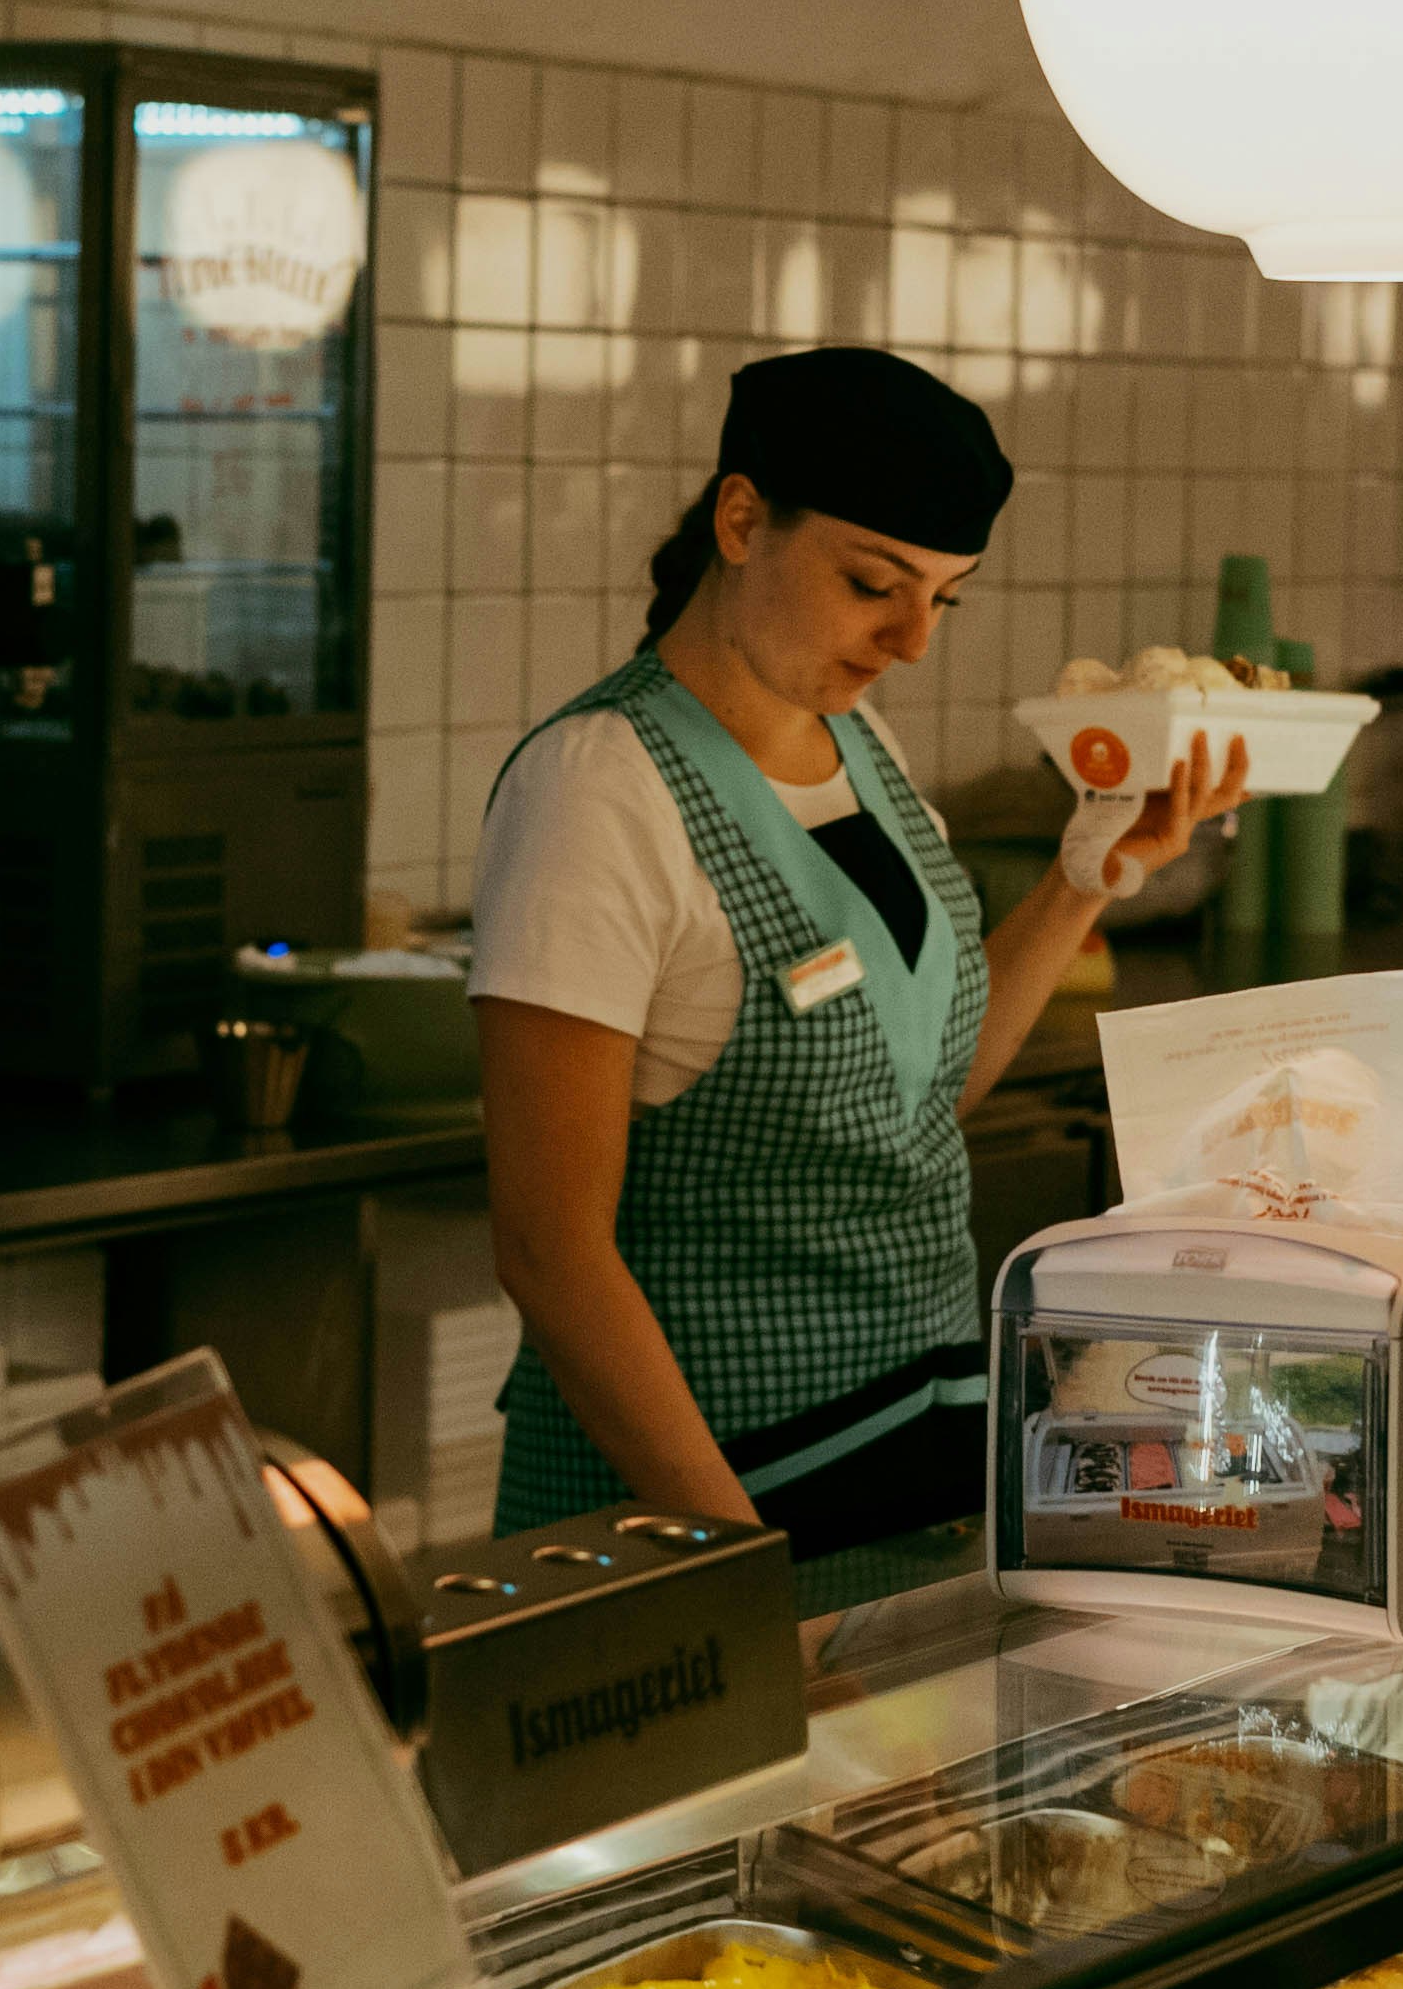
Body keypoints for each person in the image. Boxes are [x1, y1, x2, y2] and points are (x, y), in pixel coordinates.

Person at [470, 346, 1246, 1564]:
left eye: (943, 598)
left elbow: (918, 1095)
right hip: (708, 1493)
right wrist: (732, 1567)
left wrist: (1091, 871)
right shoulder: (597, 791)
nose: (911, 641)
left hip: (913, 1465)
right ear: (741, 520)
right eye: (874, 584)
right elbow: (550, 1250)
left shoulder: (859, 747)